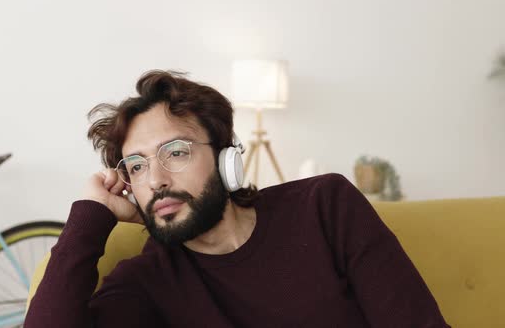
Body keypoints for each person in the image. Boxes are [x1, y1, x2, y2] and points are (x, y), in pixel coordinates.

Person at [25, 70, 450, 327]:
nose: (154, 179)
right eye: (135, 166)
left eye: (176, 152)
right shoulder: (146, 280)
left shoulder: (325, 206)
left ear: (228, 161)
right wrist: (90, 216)